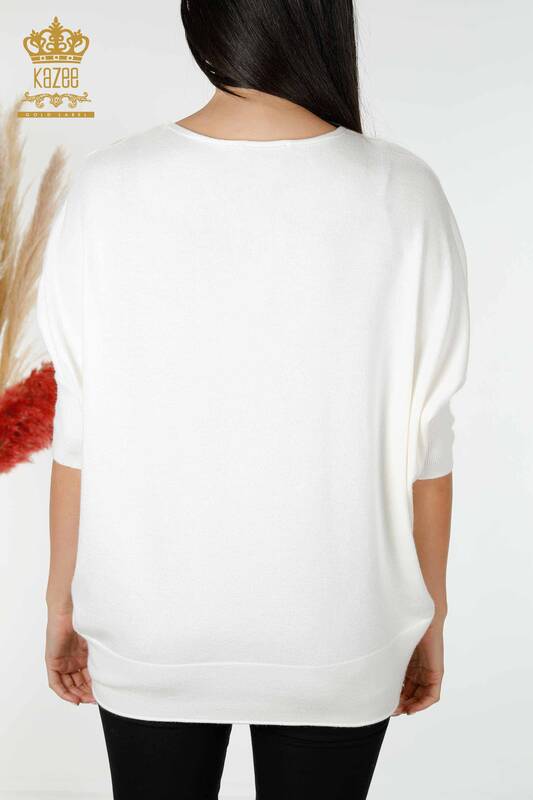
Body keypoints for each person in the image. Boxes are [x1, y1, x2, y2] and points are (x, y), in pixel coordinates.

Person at [36, 1, 470, 798]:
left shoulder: (107, 186)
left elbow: (78, 430)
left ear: (202, 20)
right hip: (343, 631)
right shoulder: (402, 190)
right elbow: (427, 447)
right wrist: (430, 618)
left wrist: (61, 601)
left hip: (146, 625)